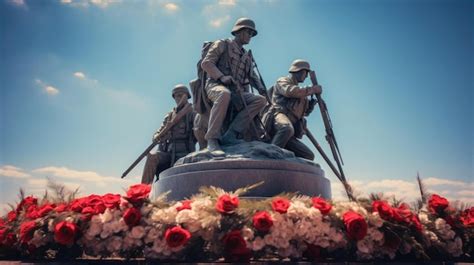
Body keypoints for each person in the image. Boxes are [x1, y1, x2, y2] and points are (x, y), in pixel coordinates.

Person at [201, 17, 267, 156]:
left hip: (236, 91)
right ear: (237, 32)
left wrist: (262, 88)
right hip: (215, 85)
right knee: (224, 94)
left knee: (260, 100)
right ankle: (212, 139)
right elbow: (206, 63)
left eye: (251, 34)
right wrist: (221, 77)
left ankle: (232, 134)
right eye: (247, 32)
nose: (250, 36)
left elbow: (252, 76)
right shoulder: (222, 44)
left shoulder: (246, 56)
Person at [263, 59, 322, 160]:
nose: (306, 76)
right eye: (305, 72)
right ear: (297, 71)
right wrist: (312, 89)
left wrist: (311, 105)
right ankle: (269, 157)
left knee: (308, 155)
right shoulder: (283, 81)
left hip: (290, 131)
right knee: (286, 128)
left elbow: (304, 112)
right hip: (278, 118)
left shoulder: (303, 95)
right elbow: (290, 91)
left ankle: (282, 155)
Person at [141, 84, 196, 184]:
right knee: (152, 157)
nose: (178, 98)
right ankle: (143, 192)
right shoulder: (170, 115)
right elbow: (158, 132)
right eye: (176, 96)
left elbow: (198, 132)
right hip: (168, 153)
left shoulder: (192, 112)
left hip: (185, 153)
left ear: (187, 96)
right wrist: (157, 137)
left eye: (181, 95)